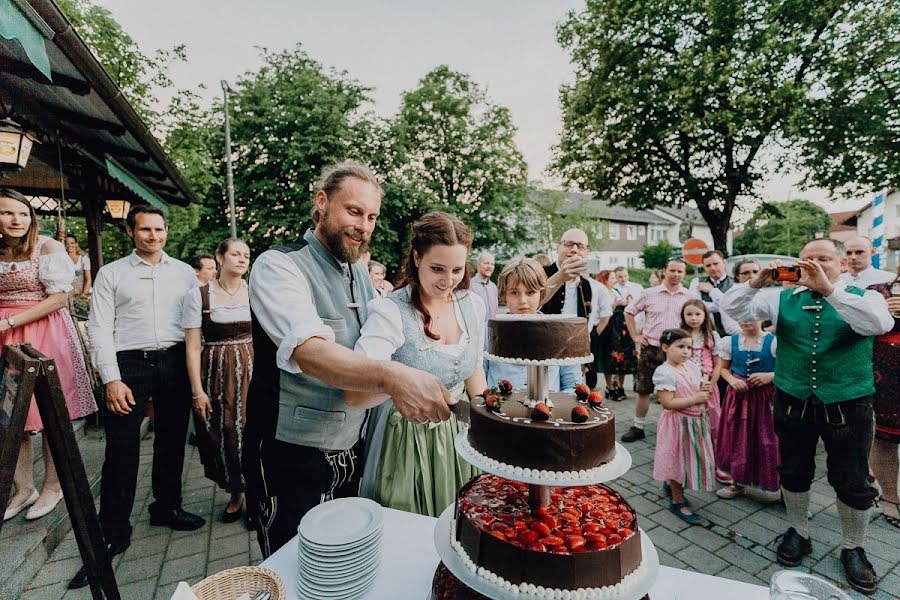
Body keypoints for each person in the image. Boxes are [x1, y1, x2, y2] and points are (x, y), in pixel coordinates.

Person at [244, 161, 454, 558]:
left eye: (371, 216)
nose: (363, 225)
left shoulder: (359, 271)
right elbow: (311, 352)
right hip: (291, 452)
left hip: (352, 447)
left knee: (342, 557)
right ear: (322, 203)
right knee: (291, 559)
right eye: (354, 211)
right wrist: (396, 379)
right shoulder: (278, 265)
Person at [720, 238, 893, 595]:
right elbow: (731, 309)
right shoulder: (781, 297)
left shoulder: (867, 295)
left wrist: (829, 290)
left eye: (824, 259)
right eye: (807, 259)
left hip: (848, 403)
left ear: (842, 263)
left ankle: (853, 547)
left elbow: (878, 324)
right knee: (794, 470)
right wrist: (757, 282)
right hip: (792, 397)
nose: (814, 264)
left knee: (852, 478)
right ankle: (799, 531)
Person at [69, 205, 202, 589]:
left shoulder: (182, 274)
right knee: (123, 448)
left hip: (175, 362)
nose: (153, 236)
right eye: (145, 229)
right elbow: (99, 329)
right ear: (131, 231)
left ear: (167, 231)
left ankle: (167, 507)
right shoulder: (112, 274)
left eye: (159, 229)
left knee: (172, 440)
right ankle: (113, 530)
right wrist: (111, 379)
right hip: (130, 365)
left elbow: (194, 325)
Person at [348, 212, 487, 517]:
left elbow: (473, 369)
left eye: (456, 270)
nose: (447, 280)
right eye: (437, 268)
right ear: (416, 257)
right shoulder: (390, 312)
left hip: (460, 434)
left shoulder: (472, 305)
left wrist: (487, 421)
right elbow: (355, 394)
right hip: (407, 437)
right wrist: (400, 385)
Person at [0, 189, 96, 523]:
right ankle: (23, 488)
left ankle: (53, 487)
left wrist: (8, 320)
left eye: (23, 214)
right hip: (3, 338)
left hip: (44, 331)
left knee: (53, 412)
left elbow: (59, 298)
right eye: (8, 213)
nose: (16, 220)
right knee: (12, 418)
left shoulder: (48, 247)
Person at [183, 238, 253, 523]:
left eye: (246, 255)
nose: (242, 259)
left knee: (253, 430)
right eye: (235, 254)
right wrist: (197, 391)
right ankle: (236, 492)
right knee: (224, 430)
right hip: (215, 372)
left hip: (252, 367)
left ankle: (257, 494)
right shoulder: (199, 296)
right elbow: (192, 346)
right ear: (220, 258)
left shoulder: (256, 291)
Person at [622, 259, 692, 442]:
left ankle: (674, 430)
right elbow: (628, 312)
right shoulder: (648, 293)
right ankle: (638, 427)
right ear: (664, 270)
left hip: (677, 352)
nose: (676, 274)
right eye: (672, 270)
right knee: (644, 389)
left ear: (684, 273)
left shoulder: (688, 296)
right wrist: (635, 336)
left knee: (676, 391)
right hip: (651, 348)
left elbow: (695, 320)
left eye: (680, 271)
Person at [652, 328, 715, 525]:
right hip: (678, 424)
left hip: (695, 422)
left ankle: (671, 485)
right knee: (677, 461)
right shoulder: (665, 372)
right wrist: (696, 398)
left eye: (689, 347)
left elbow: (698, 385)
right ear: (665, 347)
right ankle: (677, 501)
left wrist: (704, 387)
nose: (686, 351)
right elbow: (668, 403)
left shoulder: (691, 366)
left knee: (688, 460)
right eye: (680, 347)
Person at [715, 320, 780, 501]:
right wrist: (732, 380)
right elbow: (723, 368)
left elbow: (790, 368)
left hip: (766, 400)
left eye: (751, 317)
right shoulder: (731, 342)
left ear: (761, 318)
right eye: (742, 317)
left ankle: (785, 489)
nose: (745, 321)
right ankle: (737, 482)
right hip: (739, 399)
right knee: (738, 438)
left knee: (770, 441)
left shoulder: (774, 342)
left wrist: (771, 376)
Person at [541, 229, 612, 391]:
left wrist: (584, 359)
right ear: (557, 248)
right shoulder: (541, 273)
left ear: (586, 253)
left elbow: (585, 326)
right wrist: (561, 276)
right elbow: (532, 304)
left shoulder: (587, 285)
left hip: (573, 358)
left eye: (580, 246)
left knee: (572, 402)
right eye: (569, 244)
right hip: (543, 353)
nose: (574, 249)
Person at [484, 257, 561, 390]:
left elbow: (572, 383)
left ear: (541, 294)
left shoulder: (559, 331)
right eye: (514, 293)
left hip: (547, 407)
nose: (523, 300)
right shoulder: (488, 330)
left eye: (530, 292)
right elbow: (480, 378)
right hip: (500, 408)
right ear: (504, 295)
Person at [867, 271, 899, 529]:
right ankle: (890, 497)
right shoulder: (877, 290)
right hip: (886, 378)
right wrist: (880, 312)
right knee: (885, 440)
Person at [680, 299, 722, 448]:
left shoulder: (712, 337)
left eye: (698, 314)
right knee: (689, 419)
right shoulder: (680, 336)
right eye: (689, 314)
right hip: (686, 385)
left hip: (706, 385)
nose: (693, 318)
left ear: (705, 315)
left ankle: (712, 455)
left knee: (710, 421)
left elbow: (718, 365)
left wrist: (712, 384)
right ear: (683, 316)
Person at [602, 267, 640, 400]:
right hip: (611, 328)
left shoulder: (620, 289)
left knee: (623, 358)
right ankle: (611, 387)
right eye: (615, 277)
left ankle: (621, 387)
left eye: (624, 276)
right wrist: (617, 303)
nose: (620, 279)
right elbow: (605, 310)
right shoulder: (604, 291)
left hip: (623, 327)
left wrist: (629, 301)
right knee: (611, 358)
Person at [689, 249, 738, 336]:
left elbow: (731, 305)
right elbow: (695, 307)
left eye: (716, 264)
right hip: (706, 334)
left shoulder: (735, 284)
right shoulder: (696, 282)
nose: (712, 268)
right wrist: (720, 305)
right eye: (708, 265)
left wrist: (712, 291)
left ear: (724, 263)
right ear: (704, 267)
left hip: (732, 333)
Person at [471, 251, 498, 323]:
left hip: (492, 329)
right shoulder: (469, 286)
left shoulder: (494, 287)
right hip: (476, 330)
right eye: (486, 263)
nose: (489, 266)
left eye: (492, 264)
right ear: (478, 265)